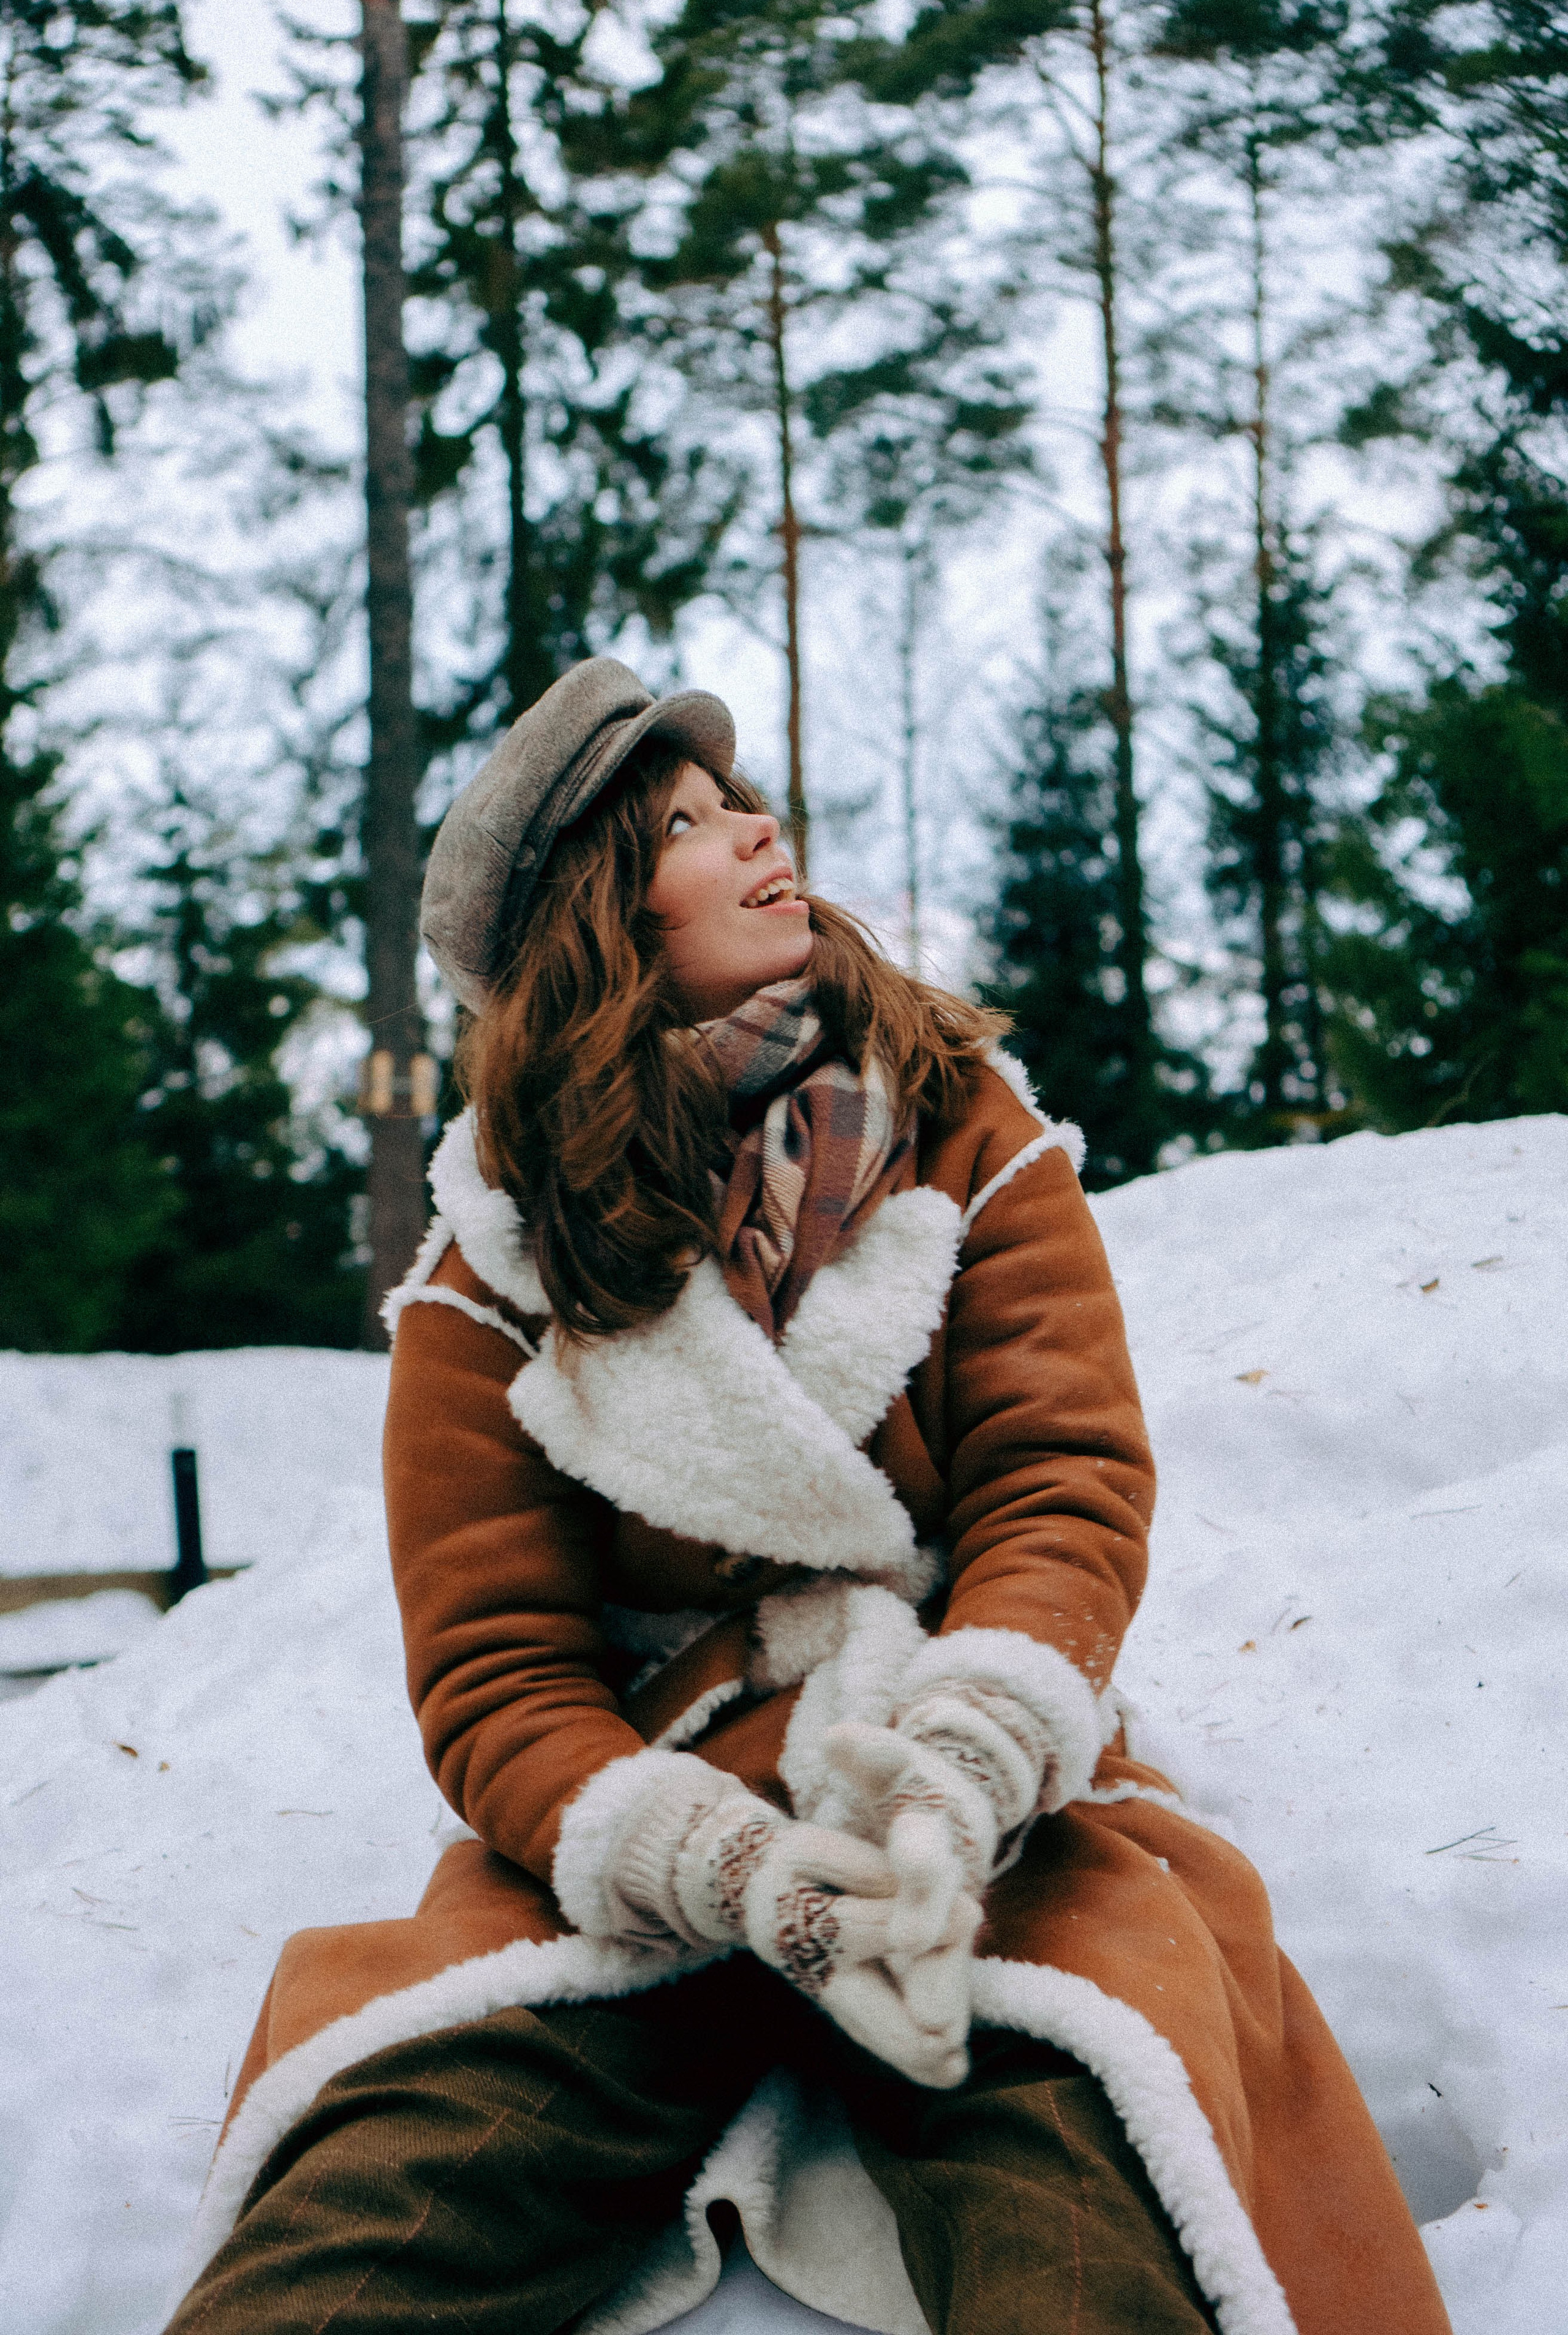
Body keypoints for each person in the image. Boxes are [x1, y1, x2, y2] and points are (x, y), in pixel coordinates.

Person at [165, 659, 1452, 2335]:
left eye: (737, 794)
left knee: (1084, 2194)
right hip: (656, 1823)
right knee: (375, 2216)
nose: (758, 825)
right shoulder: (486, 1278)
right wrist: (716, 1866)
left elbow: (1058, 1486)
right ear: (599, 929)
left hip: (961, 1783)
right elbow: (495, 1676)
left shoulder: (961, 1129)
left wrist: (963, 1765)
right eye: (686, 824)